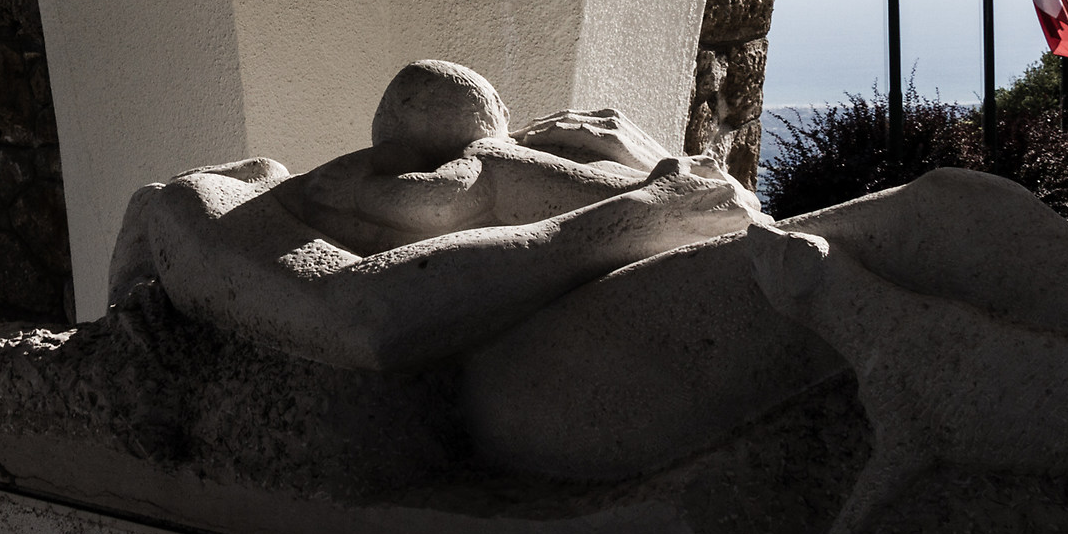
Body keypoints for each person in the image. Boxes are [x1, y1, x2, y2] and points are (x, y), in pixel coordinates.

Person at [108, 59, 755, 371]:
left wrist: (651, 166)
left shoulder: (475, 174)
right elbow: (364, 318)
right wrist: (626, 220)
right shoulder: (208, 211)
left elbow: (740, 218)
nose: (458, 182)